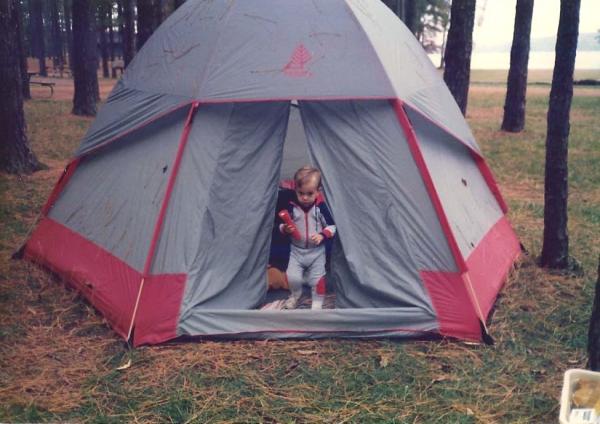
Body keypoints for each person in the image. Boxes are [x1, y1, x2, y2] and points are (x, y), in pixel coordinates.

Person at [278, 166, 336, 310]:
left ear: (318, 191)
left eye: (310, 193)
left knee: (318, 280)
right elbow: (280, 226)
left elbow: (332, 226)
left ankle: (317, 305)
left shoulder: (320, 208)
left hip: (316, 252)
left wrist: (322, 235)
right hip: (296, 251)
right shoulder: (291, 207)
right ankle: (295, 295)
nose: (304, 197)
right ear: (295, 190)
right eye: (301, 193)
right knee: (292, 277)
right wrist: (285, 228)